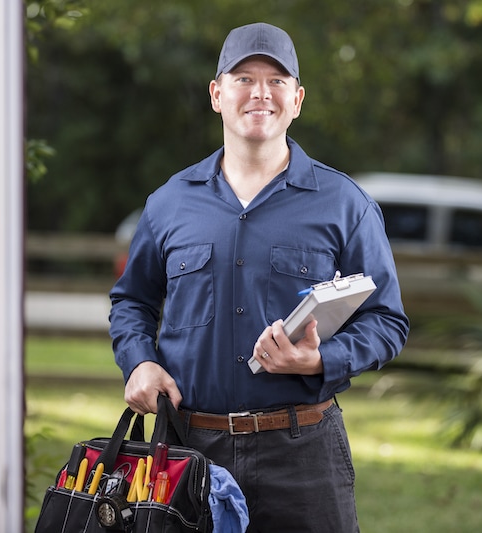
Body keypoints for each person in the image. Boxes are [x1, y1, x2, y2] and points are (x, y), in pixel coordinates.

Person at [109, 22, 409, 532]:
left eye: (276, 81)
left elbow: (387, 321)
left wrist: (321, 359)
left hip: (304, 455)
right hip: (189, 452)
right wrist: (138, 363)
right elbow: (132, 302)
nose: (260, 94)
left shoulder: (345, 205)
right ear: (217, 94)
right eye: (244, 78)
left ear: (297, 99)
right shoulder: (169, 203)